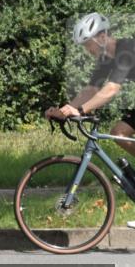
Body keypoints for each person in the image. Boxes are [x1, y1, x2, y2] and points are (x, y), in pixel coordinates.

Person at [45, 12, 135, 165]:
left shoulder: (127, 49)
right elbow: (91, 89)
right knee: (119, 133)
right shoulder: (106, 59)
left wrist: (80, 110)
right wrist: (64, 111)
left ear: (102, 37)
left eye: (87, 44)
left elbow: (112, 88)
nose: (87, 49)